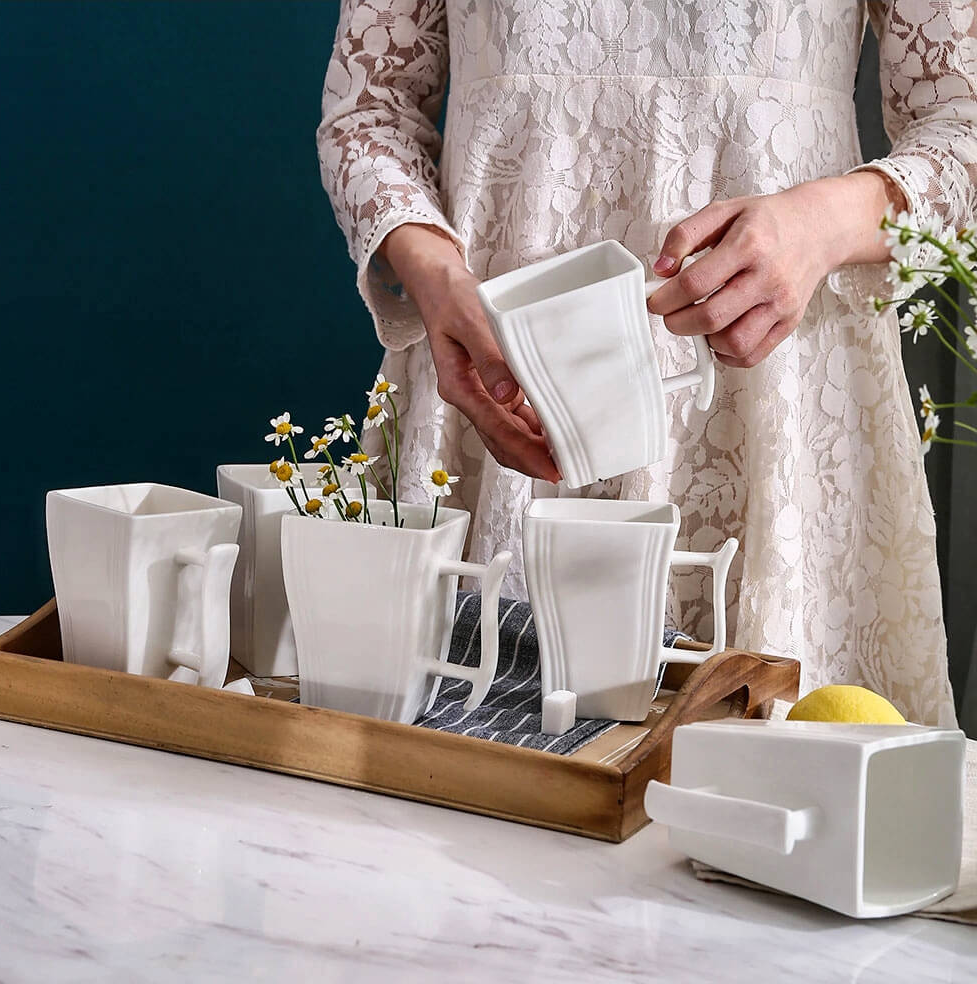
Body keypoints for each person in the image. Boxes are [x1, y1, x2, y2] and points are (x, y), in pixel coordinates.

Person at [317, 0, 976, 726]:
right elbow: (369, 110)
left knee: (775, 807)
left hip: (777, 410)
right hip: (496, 390)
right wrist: (435, 277)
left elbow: (963, 121)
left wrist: (820, 225)